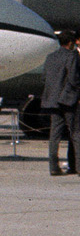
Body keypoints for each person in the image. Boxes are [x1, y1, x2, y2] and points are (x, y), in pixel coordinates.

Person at [43, 30, 80, 176]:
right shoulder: (72, 56)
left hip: (52, 100)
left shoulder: (50, 57)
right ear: (70, 43)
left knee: (54, 135)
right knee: (76, 133)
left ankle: (53, 167)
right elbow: (73, 78)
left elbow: (44, 77)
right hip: (69, 100)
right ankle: (78, 167)